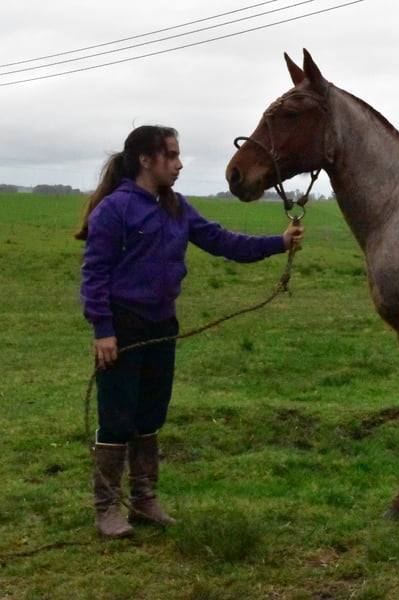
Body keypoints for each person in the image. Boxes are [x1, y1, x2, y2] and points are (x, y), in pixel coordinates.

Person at [76, 125, 303, 538]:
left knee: (150, 414)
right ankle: (107, 509)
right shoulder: (115, 209)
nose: (179, 165)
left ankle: (144, 501)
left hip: (163, 325)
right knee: (116, 417)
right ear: (146, 160)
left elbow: (223, 241)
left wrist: (279, 242)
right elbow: (94, 273)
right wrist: (103, 329)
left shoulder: (176, 207)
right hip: (123, 327)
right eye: (172, 156)